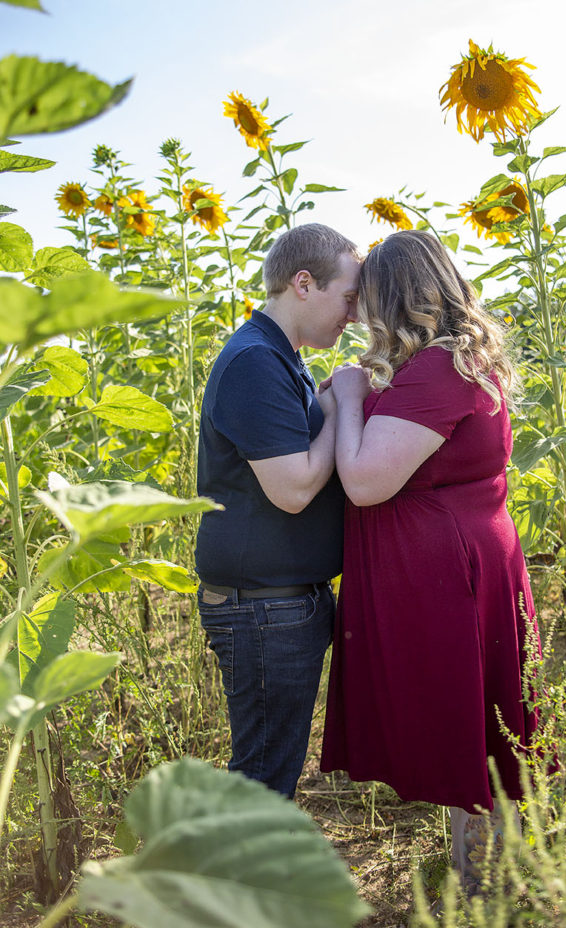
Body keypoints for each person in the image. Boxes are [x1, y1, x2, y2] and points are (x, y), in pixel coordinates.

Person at [320, 229, 539, 889]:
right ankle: (496, 881)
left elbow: (364, 480)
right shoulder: (457, 358)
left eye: (366, 299)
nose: (357, 315)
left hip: (449, 576)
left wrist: (350, 399)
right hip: (465, 561)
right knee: (477, 726)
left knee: (469, 729)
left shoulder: (441, 367)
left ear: (396, 297)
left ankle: (488, 889)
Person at [195, 223, 361, 799]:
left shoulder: (280, 357)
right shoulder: (253, 362)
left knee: (271, 771)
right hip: (262, 608)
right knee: (264, 780)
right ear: (304, 284)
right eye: (347, 297)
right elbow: (292, 488)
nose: (352, 316)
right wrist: (345, 405)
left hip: (278, 602)